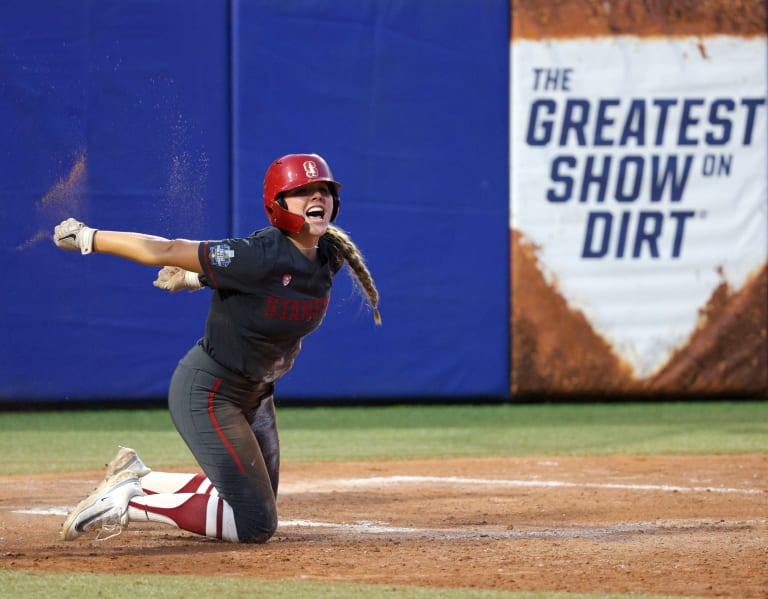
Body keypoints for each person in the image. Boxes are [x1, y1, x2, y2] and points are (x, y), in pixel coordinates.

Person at [53, 153, 381, 543]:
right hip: (210, 392)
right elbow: (166, 250)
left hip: (255, 395)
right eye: (303, 190)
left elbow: (266, 288)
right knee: (254, 523)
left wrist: (196, 280)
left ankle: (142, 477)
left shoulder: (328, 256)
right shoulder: (260, 251)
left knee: (255, 501)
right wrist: (91, 238)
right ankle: (129, 499)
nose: (318, 196)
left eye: (324, 189)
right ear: (278, 203)